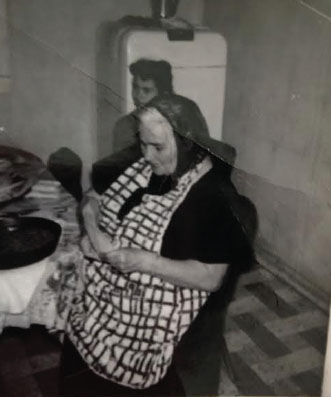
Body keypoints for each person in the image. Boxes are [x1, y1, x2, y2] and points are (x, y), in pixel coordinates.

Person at [60, 94, 256, 396]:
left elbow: (211, 278)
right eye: (142, 143)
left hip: (152, 302)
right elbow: (95, 190)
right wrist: (90, 209)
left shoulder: (213, 196)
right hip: (111, 281)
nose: (147, 156)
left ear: (188, 142)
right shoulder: (148, 166)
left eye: (158, 147)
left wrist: (143, 261)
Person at [92, 59, 174, 194]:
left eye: (146, 90)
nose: (137, 95)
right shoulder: (124, 125)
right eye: (135, 87)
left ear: (163, 93)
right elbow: (117, 170)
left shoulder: (177, 123)